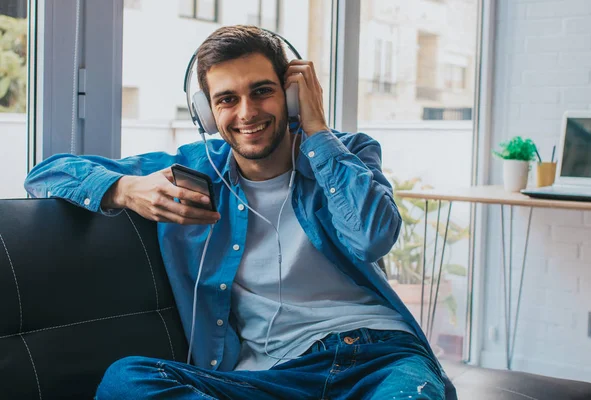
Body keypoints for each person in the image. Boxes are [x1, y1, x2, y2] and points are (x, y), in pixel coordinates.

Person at [25, 25, 455, 400]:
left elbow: (373, 237)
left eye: (262, 91)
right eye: (227, 99)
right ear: (207, 113)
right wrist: (124, 188)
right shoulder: (195, 168)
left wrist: (318, 130)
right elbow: (46, 173)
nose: (247, 113)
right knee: (127, 381)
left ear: (289, 95)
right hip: (277, 377)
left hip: (382, 357)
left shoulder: (349, 152)